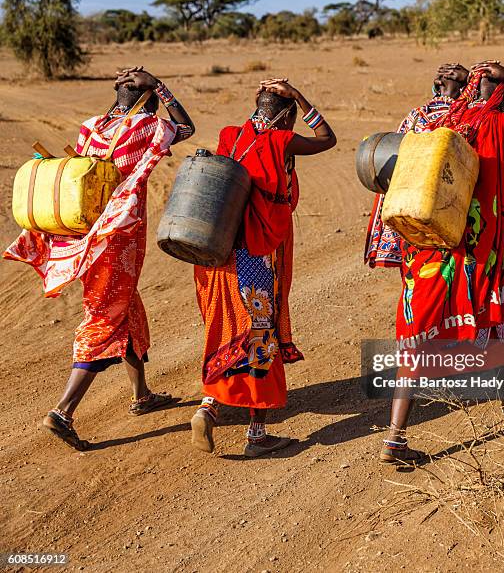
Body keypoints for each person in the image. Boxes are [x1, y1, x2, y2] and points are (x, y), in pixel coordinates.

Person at [4, 68, 195, 450]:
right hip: (118, 237)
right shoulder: (147, 127)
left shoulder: (91, 127)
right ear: (149, 100)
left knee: (127, 309)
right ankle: (63, 411)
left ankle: (142, 394)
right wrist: (159, 85)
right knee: (105, 317)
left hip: (87, 234)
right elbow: (185, 128)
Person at [379, 62, 504, 464]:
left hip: (429, 250)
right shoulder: (501, 125)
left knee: (415, 338)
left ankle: (395, 438)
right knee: (492, 316)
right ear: (501, 95)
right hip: (479, 249)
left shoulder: (444, 122)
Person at [191, 79, 336, 458]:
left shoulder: (230, 135)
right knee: (259, 339)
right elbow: (327, 138)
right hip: (254, 258)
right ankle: (256, 434)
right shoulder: (282, 141)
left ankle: (208, 406)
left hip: (219, 253)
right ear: (287, 117)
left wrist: (274, 102)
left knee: (223, 330)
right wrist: (301, 97)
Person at [365, 63, 469, 269]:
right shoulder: (466, 119)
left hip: (411, 215)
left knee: (416, 275)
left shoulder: (415, 118)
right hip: (452, 217)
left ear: (436, 87)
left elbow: (393, 166)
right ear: (463, 89)